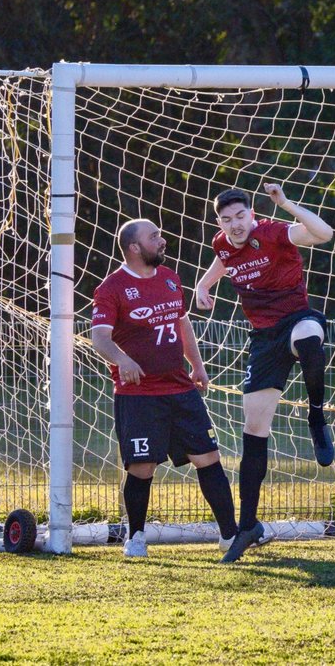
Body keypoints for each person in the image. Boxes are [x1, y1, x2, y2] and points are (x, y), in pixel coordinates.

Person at [196, 183, 335, 563]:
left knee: (309, 340)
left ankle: (317, 418)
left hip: (298, 319)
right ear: (220, 223)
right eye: (227, 220)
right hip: (263, 340)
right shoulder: (222, 243)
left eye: (241, 216)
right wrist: (204, 284)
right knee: (254, 432)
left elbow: (324, 233)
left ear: (252, 215)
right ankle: (248, 526)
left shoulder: (273, 232)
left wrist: (286, 204)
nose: (236, 225)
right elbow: (223, 259)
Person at [90, 219, 238, 557]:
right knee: (142, 467)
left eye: (159, 234)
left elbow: (182, 323)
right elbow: (100, 338)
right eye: (153, 236)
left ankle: (230, 536)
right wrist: (122, 360)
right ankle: (135, 538)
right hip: (139, 396)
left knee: (208, 458)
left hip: (180, 389)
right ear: (134, 247)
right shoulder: (112, 287)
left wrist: (197, 365)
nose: (162, 240)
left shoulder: (170, 278)